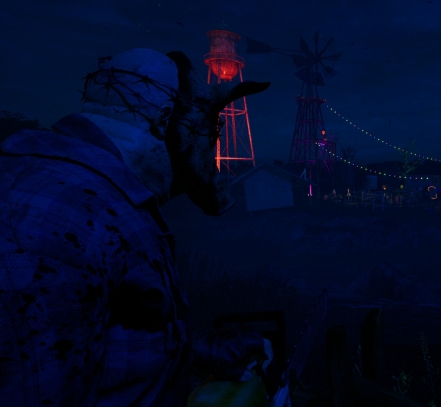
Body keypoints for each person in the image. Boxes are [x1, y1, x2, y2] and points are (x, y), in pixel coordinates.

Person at [0, 49, 275, 405]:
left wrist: (200, 350)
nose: (212, 145)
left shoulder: (85, 194)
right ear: (164, 121)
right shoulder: (56, 223)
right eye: (210, 129)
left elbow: (96, 333)